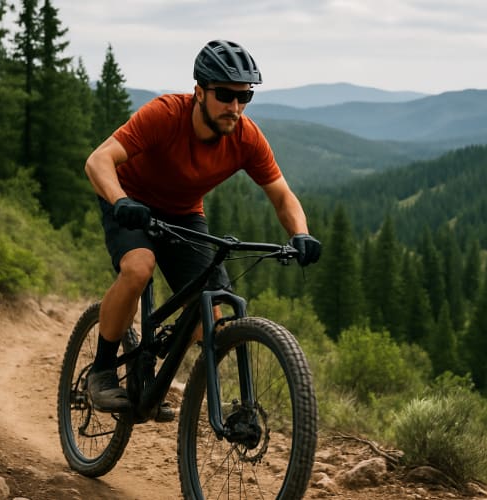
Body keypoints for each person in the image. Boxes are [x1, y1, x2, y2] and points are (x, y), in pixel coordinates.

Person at [83, 39, 321, 414]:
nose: (235, 107)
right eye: (225, 95)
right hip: (129, 200)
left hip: (182, 212)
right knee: (139, 267)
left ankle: (168, 388)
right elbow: (98, 161)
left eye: (245, 97)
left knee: (209, 319)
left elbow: (281, 196)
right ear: (198, 91)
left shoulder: (246, 137)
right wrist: (121, 202)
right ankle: (101, 371)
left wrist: (300, 233)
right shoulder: (165, 114)